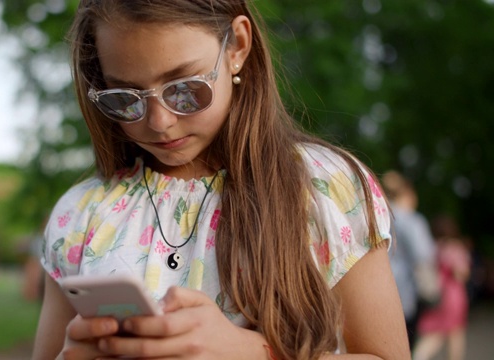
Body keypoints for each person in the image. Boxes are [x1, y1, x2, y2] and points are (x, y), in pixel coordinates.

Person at [32, 1, 409, 359]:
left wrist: (251, 353)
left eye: (184, 88)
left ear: (238, 47)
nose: (159, 121)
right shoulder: (80, 215)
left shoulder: (324, 188)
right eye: (125, 98)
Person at [381, 170, 440, 350]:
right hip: (406, 292)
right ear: (408, 193)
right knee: (406, 346)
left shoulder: (379, 216)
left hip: (378, 289)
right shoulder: (413, 220)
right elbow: (423, 256)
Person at [413, 216, 472, 360]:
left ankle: (419, 355)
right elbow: (462, 274)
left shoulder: (433, 247)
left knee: (437, 331)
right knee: (455, 332)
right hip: (454, 296)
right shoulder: (456, 248)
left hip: (436, 294)